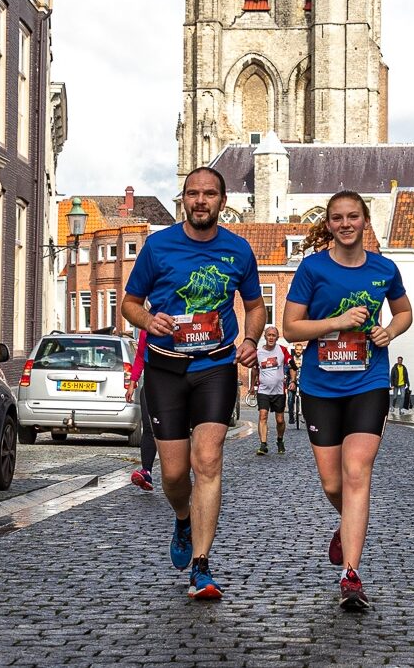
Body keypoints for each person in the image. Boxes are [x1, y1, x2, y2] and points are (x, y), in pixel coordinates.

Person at [121, 166, 266, 601]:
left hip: (215, 367)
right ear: (183, 199)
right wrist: (149, 319)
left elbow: (255, 306)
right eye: (192, 194)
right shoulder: (158, 246)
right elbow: (130, 303)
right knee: (173, 473)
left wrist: (251, 339)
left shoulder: (238, 251)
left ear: (223, 202)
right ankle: (182, 516)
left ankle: (201, 567)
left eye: (209, 194)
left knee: (208, 461)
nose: (200, 201)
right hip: (165, 368)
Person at [283, 190, 412, 612]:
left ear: (364, 220)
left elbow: (404, 312)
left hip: (368, 381)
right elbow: (290, 328)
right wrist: (337, 322)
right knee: (333, 483)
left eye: (352, 216)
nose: (345, 224)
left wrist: (388, 332)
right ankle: (346, 524)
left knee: (357, 472)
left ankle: (351, 575)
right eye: (337, 217)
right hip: (321, 386)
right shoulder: (312, 268)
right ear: (330, 224)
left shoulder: (383, 269)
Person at [252, 325, 292, 455]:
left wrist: (293, 381)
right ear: (265, 337)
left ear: (277, 338)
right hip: (263, 390)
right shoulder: (258, 352)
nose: (271, 337)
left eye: (273, 335)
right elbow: (254, 369)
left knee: (280, 420)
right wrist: (252, 386)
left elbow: (292, 366)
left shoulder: (282, 350)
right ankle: (263, 444)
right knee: (262, 415)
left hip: (279, 391)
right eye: (269, 335)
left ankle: (280, 440)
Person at [129, 326, 156, 491]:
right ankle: (146, 472)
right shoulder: (148, 329)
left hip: (173, 388)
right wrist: (133, 381)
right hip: (151, 386)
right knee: (148, 428)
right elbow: (140, 355)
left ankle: (178, 475)